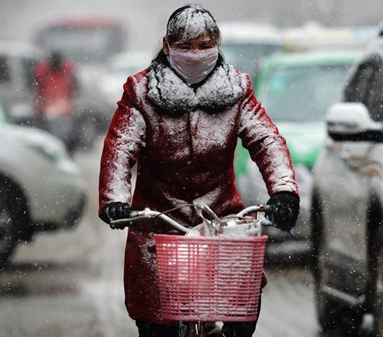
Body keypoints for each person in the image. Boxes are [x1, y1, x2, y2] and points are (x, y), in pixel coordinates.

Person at [98, 4, 300, 337]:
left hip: (221, 224)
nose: (196, 54)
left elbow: (267, 140)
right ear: (166, 47)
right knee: (155, 320)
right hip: (158, 227)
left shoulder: (237, 91)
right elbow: (120, 149)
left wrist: (284, 191)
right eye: (186, 46)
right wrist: (115, 201)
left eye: (204, 46)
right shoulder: (141, 93)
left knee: (241, 308)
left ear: (217, 47)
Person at [33, 51, 78, 150]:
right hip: (49, 109)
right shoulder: (43, 72)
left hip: (63, 109)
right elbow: (38, 89)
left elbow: (74, 88)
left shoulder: (67, 72)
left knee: (66, 136)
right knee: (50, 136)